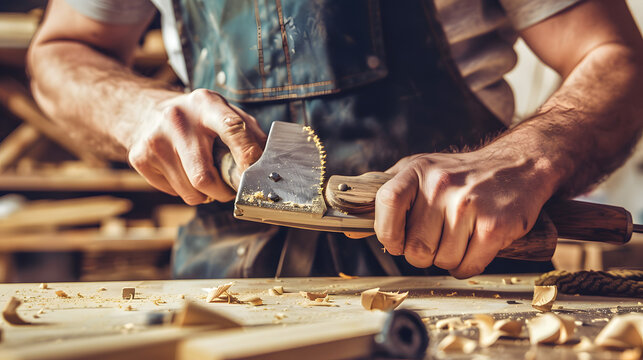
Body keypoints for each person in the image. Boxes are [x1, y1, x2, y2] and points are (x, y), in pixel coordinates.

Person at [27, 0, 643, 279]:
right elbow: (61, 52)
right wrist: (135, 110)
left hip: (456, 275)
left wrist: (519, 161)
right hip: (226, 285)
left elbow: (615, 57)